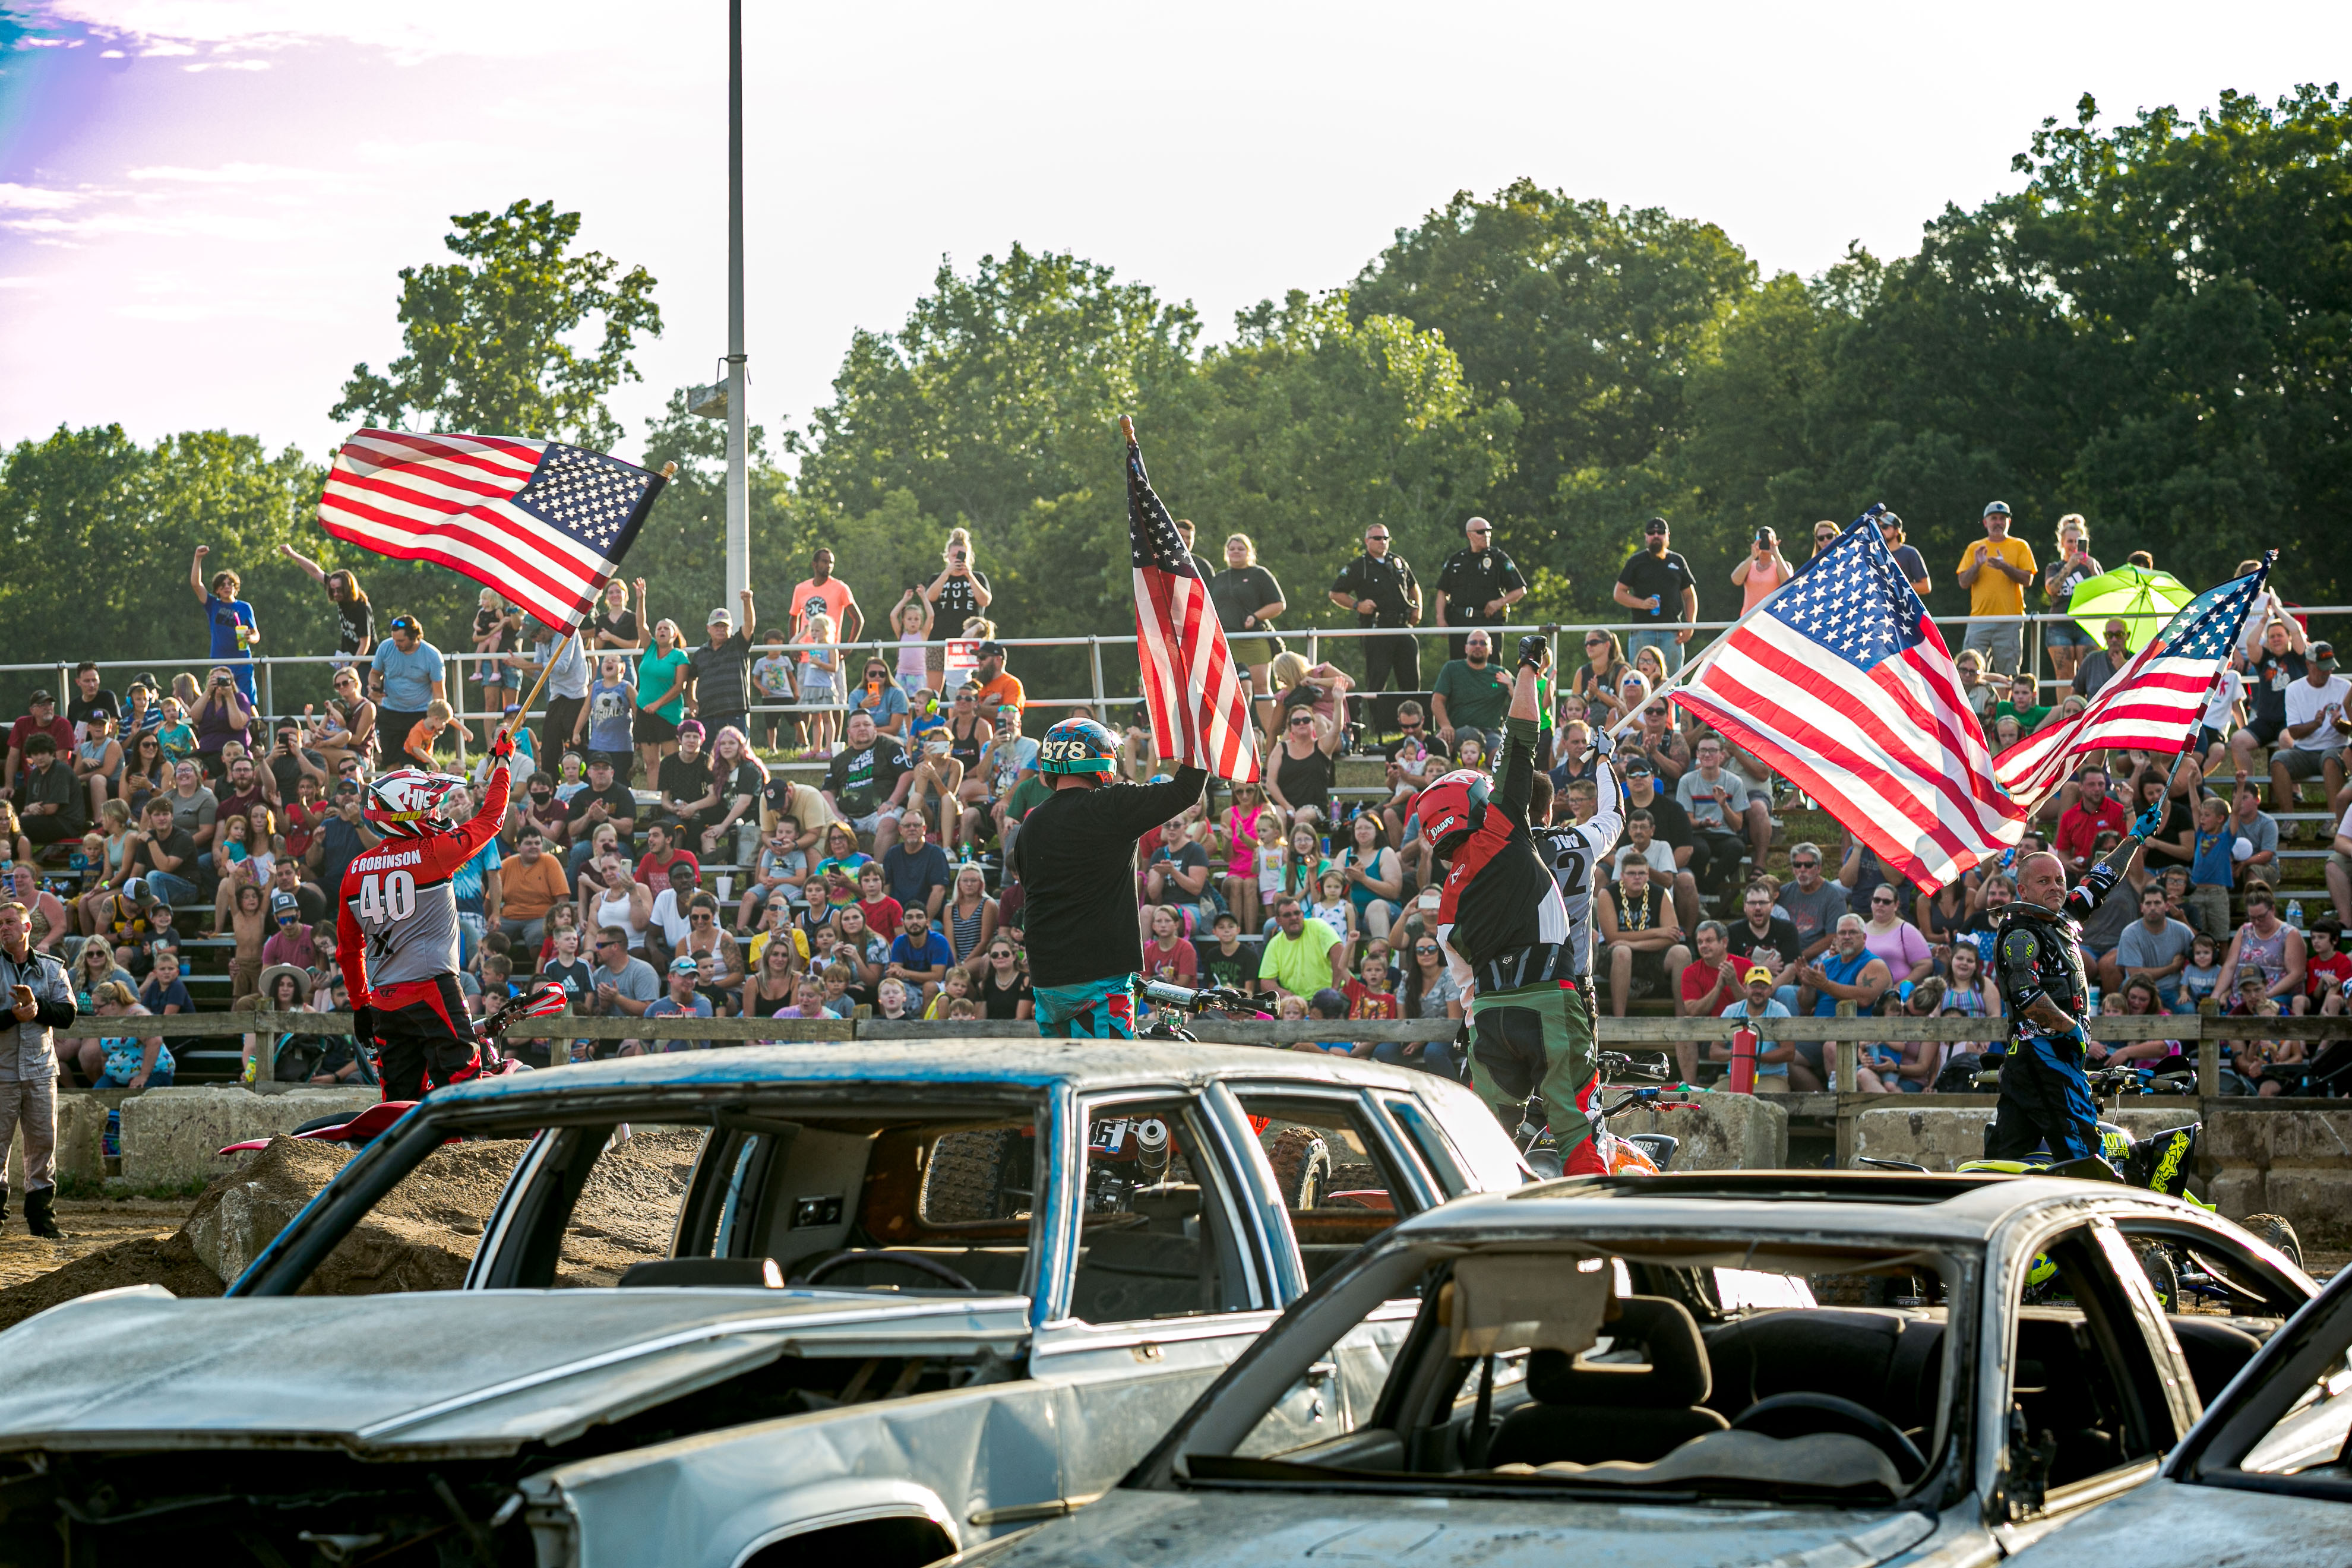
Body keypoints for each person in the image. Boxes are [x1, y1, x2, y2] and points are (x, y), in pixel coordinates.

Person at [1420, 633, 1611, 1166]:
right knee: (1578, 1131)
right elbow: (1521, 739)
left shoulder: (1446, 902)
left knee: (1486, 1148)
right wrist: (1529, 667)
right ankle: (1596, 1215)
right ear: (1475, 805)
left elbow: (1466, 991)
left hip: (1490, 1019)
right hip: (1550, 999)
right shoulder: (1500, 829)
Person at [339, 726, 516, 1101]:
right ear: (407, 815)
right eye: (430, 807)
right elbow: (491, 820)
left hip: (383, 1000)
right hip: (433, 988)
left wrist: (360, 1005)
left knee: (399, 1101)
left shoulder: (354, 870)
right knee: (463, 1088)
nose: (437, 813)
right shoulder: (434, 853)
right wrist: (503, 764)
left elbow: (348, 950)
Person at [1009, 716, 1206, 1038]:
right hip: (1099, 976)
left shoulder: (1031, 823)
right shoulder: (1111, 807)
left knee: (1063, 1065)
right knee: (1110, 1066)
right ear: (1103, 761)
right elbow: (1186, 790)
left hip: (1046, 978)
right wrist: (1197, 731)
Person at [1988, 820, 2157, 1162]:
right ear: (2023, 890)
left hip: (2042, 1062)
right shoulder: (2020, 933)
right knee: (2085, 1154)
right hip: (2044, 1056)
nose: (2055, 887)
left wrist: (2135, 838)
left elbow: (2102, 879)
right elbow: (2026, 995)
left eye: (2060, 880)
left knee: (2008, 1154)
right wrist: (2072, 1030)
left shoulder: (2063, 916)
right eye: (2044, 881)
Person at [0, 897, 71, 1236]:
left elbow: (68, 1014)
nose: (3, 928)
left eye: (10, 922)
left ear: (27, 927)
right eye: (0, 924)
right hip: (2, 1073)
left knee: (43, 1145)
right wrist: (12, 1017)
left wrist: (37, 1008)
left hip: (41, 1072)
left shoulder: (53, 968)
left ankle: (43, 1221)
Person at [1327, 523, 1423, 708]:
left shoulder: (1398, 562)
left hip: (1403, 627)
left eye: (1386, 538)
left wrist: (1417, 608)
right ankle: (1379, 723)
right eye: (1378, 538)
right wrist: (1357, 605)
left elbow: (1413, 586)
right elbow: (1335, 594)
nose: (1383, 542)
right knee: (1377, 682)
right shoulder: (1360, 566)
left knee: (1411, 682)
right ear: (1367, 541)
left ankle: (1415, 720)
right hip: (1377, 629)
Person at [1206, 533, 1286, 720]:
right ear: (1226, 552)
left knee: (1260, 687)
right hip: (1225, 642)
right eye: (1232, 549)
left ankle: (1271, 734)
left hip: (1253, 640)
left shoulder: (1259, 574)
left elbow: (1279, 604)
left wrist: (1255, 616)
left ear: (1249, 552)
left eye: (1241, 549)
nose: (1236, 552)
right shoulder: (1219, 578)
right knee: (1224, 689)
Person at [1954, 501, 2037, 675]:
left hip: (2010, 620)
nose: (1998, 522)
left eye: (2002, 518)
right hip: (1979, 620)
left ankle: (2003, 696)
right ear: (1985, 523)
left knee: (2008, 675)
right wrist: (1977, 565)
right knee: (1969, 672)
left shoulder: (2020, 546)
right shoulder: (1975, 548)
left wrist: (2004, 567)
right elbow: (1963, 583)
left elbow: (2028, 580)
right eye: (1994, 518)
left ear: (2009, 522)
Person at [2271, 639, 2349, 814]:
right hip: (2304, 752)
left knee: (2330, 759)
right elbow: (2294, 733)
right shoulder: (2294, 689)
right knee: (2278, 761)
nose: (2327, 672)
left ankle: (2334, 821)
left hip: (2336, 748)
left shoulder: (2345, 687)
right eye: (2322, 667)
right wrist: (2315, 724)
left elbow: (2349, 730)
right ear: (2308, 664)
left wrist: (2339, 724)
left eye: (2330, 667)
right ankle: (2289, 821)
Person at [1433, 517, 1526, 663]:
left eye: (1489, 531)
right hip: (1460, 623)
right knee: (1458, 667)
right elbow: (1442, 591)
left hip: (1488, 623)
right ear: (1469, 535)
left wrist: (1499, 602)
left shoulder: (1498, 558)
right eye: (1481, 532)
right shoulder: (1457, 560)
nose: (1486, 535)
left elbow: (1520, 590)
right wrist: (1440, 618)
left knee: (1491, 668)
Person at [1612, 517, 1697, 675]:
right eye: (1651, 533)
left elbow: (1689, 596)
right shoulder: (1636, 561)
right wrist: (1642, 604)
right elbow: (1619, 593)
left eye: (1660, 532)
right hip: (1642, 630)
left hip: (1672, 631)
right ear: (1646, 537)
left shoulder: (1678, 561)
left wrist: (1690, 625)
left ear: (1668, 536)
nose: (1656, 536)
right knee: (1640, 679)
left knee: (1672, 681)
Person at [189, 545, 261, 703]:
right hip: (220, 660)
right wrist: (198, 558)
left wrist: (250, 638)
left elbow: (256, 634)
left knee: (246, 701)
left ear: (236, 588)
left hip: (243, 660)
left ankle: (255, 721)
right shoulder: (213, 605)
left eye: (230, 584)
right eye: (223, 585)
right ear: (217, 590)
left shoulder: (245, 607)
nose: (227, 587)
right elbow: (196, 584)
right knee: (220, 700)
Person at [368, 615, 447, 758]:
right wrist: (375, 686)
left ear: (414, 637)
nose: (396, 644)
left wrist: (440, 720)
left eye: (401, 641)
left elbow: (439, 693)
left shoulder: (432, 655)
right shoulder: (386, 647)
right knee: (391, 761)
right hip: (391, 711)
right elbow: (375, 673)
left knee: (417, 763)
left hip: (420, 714)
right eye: (394, 640)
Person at [687, 592, 758, 741]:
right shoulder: (700, 653)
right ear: (708, 628)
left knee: (736, 753)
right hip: (706, 715)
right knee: (708, 754)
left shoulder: (738, 644)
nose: (720, 629)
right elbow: (691, 677)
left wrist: (747, 602)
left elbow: (749, 625)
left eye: (724, 626)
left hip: (734, 713)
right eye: (717, 626)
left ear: (731, 628)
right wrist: (691, 699)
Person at [1430, 630, 1512, 757]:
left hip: (1490, 733)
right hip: (1456, 731)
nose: (1478, 646)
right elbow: (1437, 701)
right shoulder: (1452, 669)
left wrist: (1511, 686)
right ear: (1466, 648)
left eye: (1483, 643)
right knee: (1440, 746)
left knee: (1499, 756)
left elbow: (1522, 701)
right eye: (1473, 642)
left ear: (1491, 649)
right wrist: (1445, 726)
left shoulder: (1501, 674)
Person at [789, 545, 863, 646]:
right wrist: (794, 647)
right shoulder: (801, 588)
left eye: (831, 563)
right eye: (824, 562)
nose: (829, 565)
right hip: (805, 650)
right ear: (814, 564)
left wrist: (848, 648)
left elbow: (858, 619)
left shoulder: (841, 588)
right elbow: (793, 618)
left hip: (830, 651)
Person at [1731, 527, 1793, 615]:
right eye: (1760, 538)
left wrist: (1776, 554)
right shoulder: (1750, 565)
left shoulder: (1783, 565)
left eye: (1768, 538)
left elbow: (1788, 584)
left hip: (1772, 618)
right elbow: (1736, 580)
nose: (1764, 541)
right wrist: (1753, 556)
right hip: (1749, 618)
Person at [2072, 619, 2135, 700]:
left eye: (2119, 635)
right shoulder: (2092, 659)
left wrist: (2126, 668)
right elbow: (2077, 693)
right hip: (2096, 707)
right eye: (2109, 635)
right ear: (2105, 636)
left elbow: (2140, 693)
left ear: (2127, 636)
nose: (2114, 639)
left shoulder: (2138, 660)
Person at [1874, 512, 1930, 596]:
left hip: (1903, 604)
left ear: (1897, 531)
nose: (1881, 530)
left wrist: (1897, 586)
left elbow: (1925, 587)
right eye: (1879, 527)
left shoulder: (1910, 553)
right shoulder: (1876, 554)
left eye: (1885, 527)